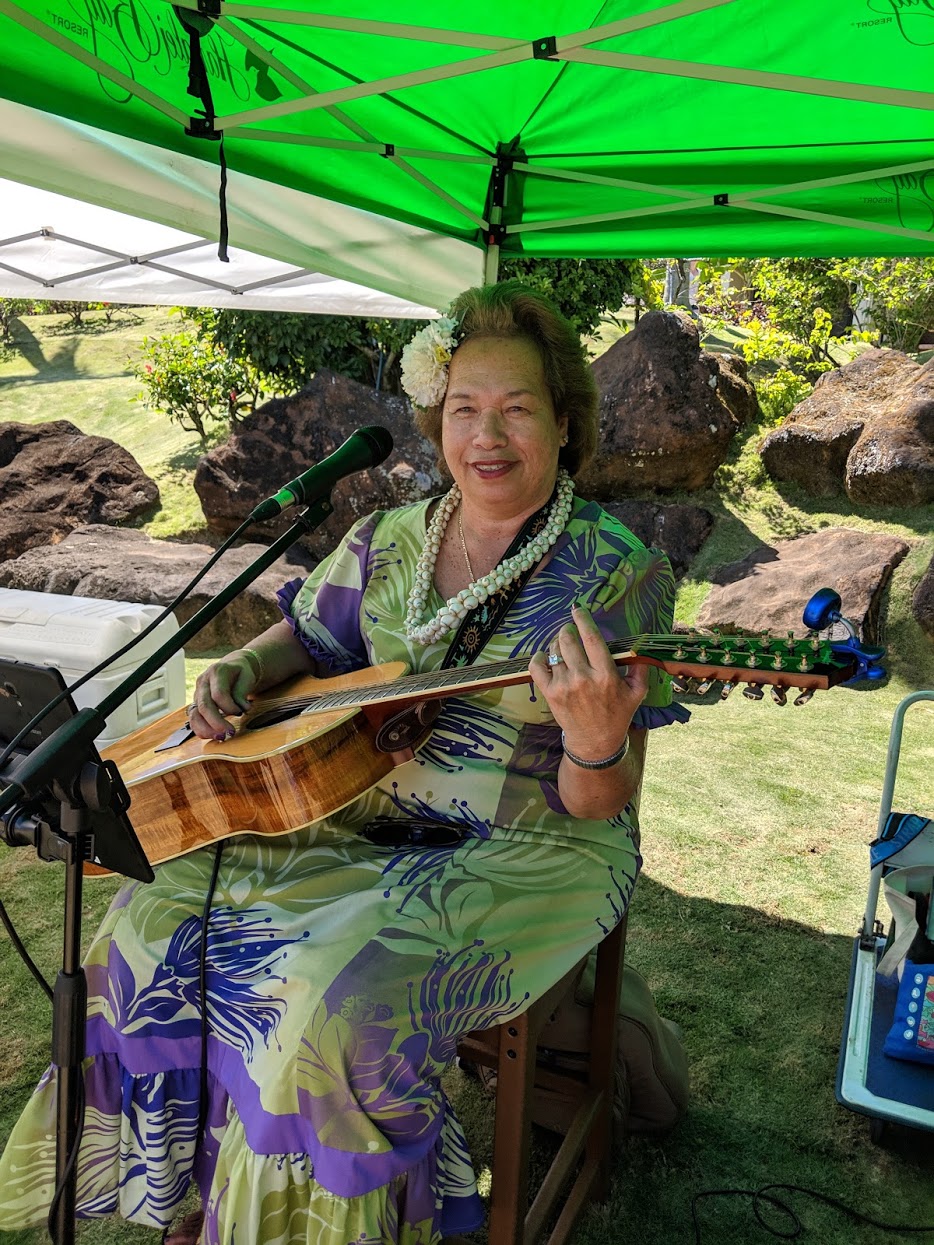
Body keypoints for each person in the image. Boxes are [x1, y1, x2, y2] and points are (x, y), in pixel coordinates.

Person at [0, 280, 685, 1244]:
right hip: (357, 819)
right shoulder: (391, 536)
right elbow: (308, 640)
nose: (487, 436)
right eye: (464, 410)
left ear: (566, 425)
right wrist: (243, 662)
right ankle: (213, 1196)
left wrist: (595, 734)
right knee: (147, 917)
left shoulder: (620, 568)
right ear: (434, 420)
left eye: (518, 409)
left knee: (336, 998)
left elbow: (597, 801)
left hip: (533, 848)